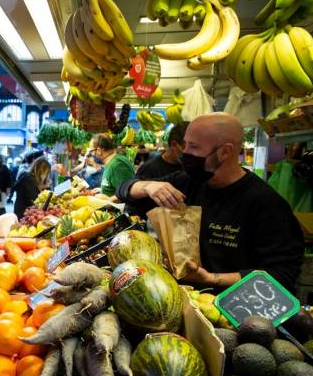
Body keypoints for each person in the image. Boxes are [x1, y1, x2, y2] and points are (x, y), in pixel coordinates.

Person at [116, 112, 304, 289]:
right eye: (185, 145)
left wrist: (211, 279)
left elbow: (283, 272)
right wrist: (147, 186)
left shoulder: (265, 203)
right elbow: (123, 190)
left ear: (225, 151)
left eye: (194, 147)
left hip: (232, 309)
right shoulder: (186, 182)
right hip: (182, 297)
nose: (185, 153)